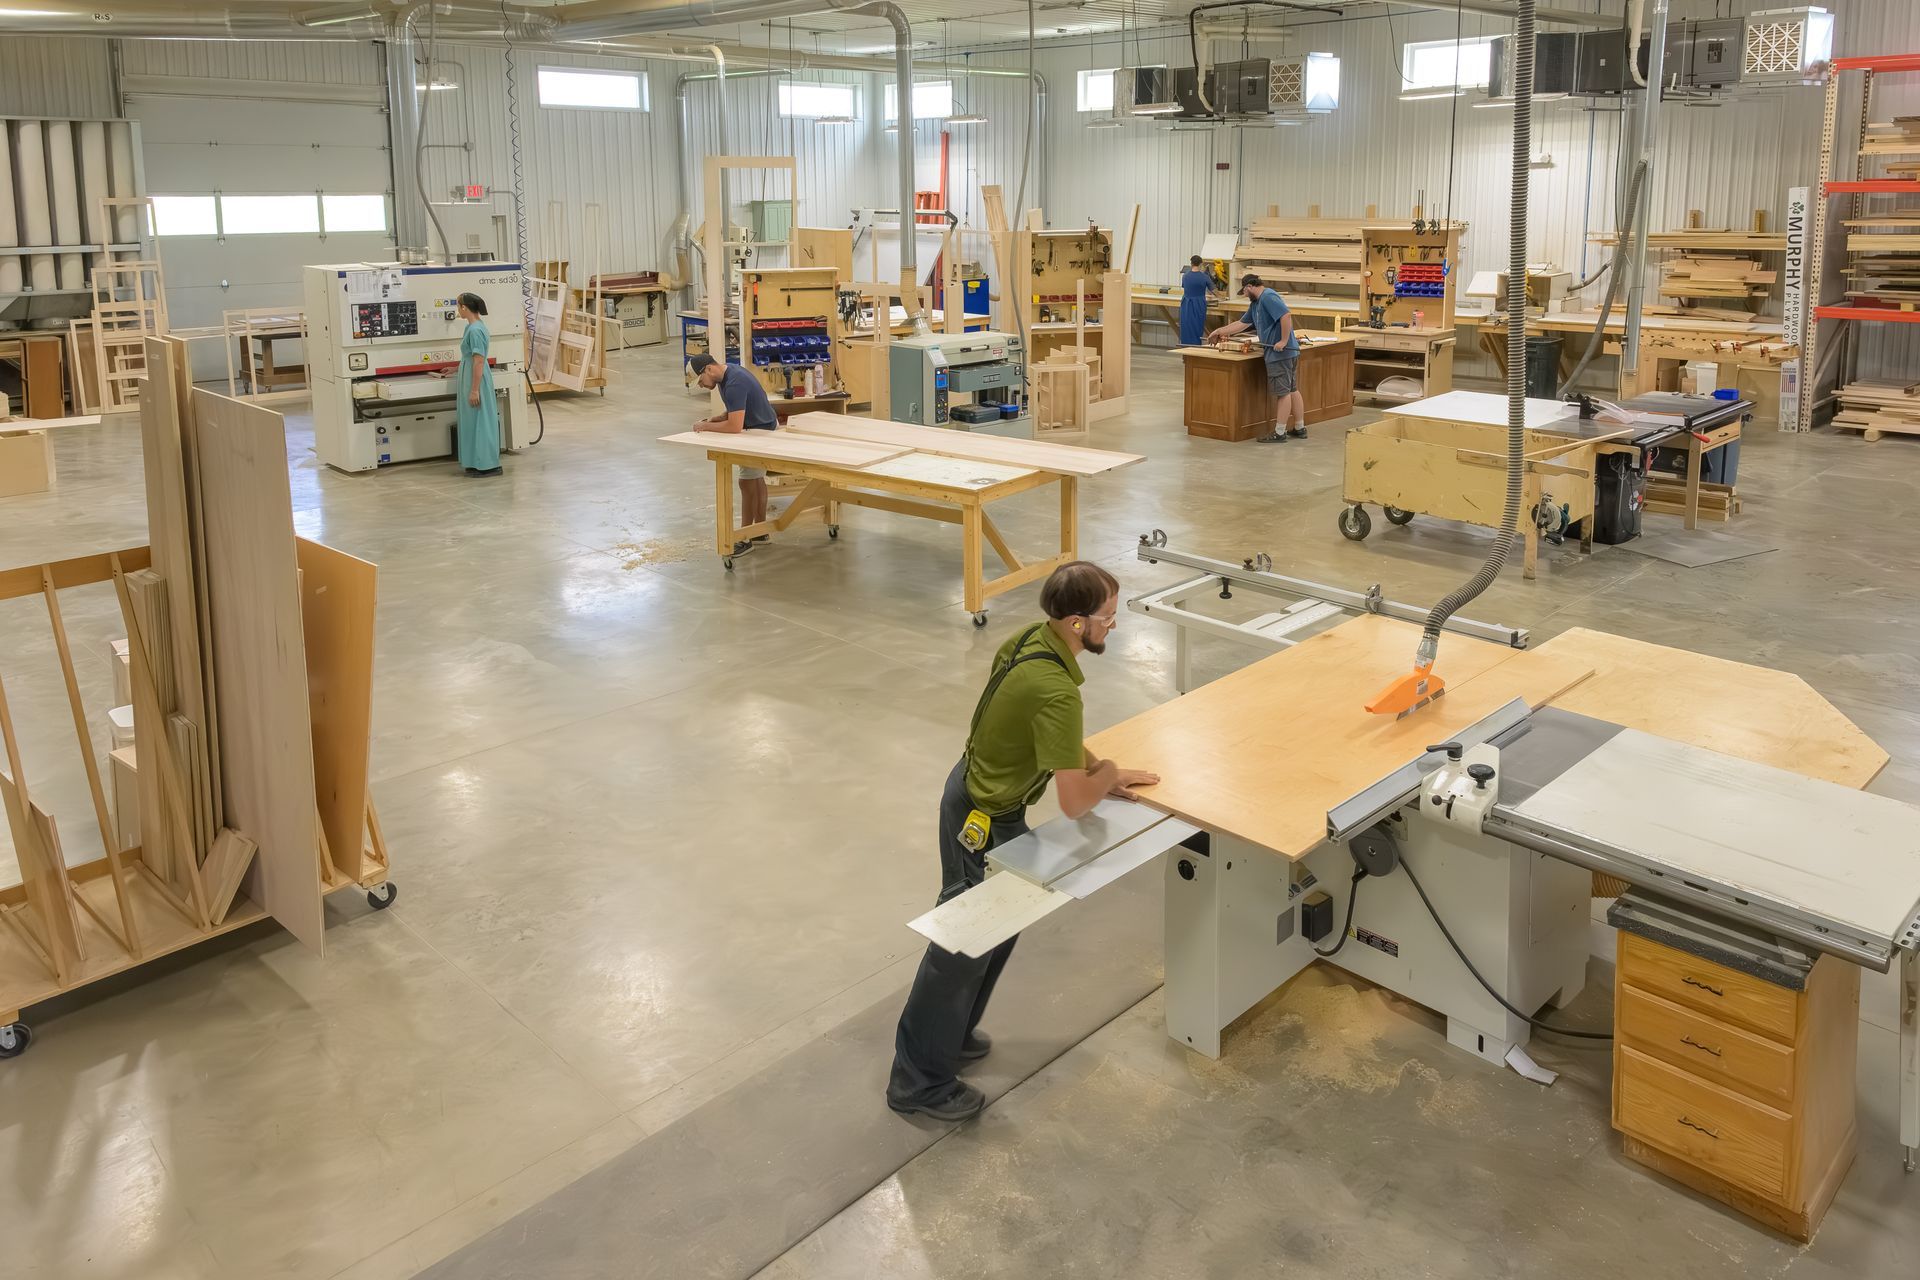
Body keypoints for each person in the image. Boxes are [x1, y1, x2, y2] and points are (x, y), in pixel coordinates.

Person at [887, 561, 1161, 1122]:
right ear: (1078, 623)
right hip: (982, 818)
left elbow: (1052, 737)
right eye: (1109, 617)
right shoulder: (1056, 689)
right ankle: (918, 1083)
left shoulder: (1030, 641)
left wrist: (1100, 769)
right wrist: (1105, 775)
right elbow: (1074, 803)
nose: (1113, 626)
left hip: (975, 794)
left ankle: (950, 1038)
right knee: (961, 945)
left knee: (997, 929)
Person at [689, 352, 778, 558]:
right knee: (756, 480)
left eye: (700, 381)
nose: (701, 386)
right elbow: (737, 409)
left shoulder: (734, 383)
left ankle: (744, 538)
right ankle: (759, 532)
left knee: (747, 483)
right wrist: (718, 418)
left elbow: (734, 426)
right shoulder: (728, 374)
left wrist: (705, 426)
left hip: (760, 431)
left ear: (709, 369)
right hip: (763, 425)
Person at [1208, 273, 1304, 444]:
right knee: (1291, 390)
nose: (1245, 295)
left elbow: (1286, 316)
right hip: (1287, 353)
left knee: (1283, 393)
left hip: (1280, 354)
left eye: (1244, 292)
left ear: (1250, 287)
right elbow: (1242, 324)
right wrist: (1218, 331)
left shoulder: (1267, 297)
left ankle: (1280, 432)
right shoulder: (1256, 303)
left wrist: (1283, 341)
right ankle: (1299, 427)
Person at [454, 292, 503, 476]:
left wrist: (475, 390)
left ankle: (488, 464)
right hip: (470, 375)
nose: (458, 310)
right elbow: (470, 357)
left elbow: (479, 361)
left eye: (458, 306)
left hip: (476, 380)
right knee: (472, 421)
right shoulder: (472, 327)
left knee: (481, 421)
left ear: (464, 307)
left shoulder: (475, 330)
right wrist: (455, 368)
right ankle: (475, 461)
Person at [1178, 254, 1215, 347]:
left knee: (1186, 326)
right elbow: (1214, 290)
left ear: (1191, 264)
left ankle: (1185, 348)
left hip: (1186, 303)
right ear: (1201, 264)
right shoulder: (1204, 277)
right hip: (1198, 304)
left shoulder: (1185, 276)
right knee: (1197, 326)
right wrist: (1222, 297)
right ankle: (1195, 347)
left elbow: (1186, 287)